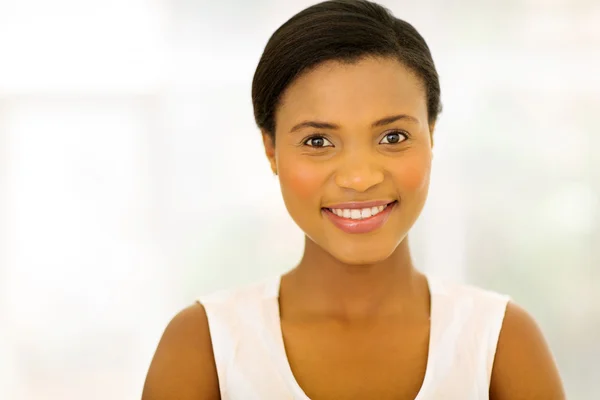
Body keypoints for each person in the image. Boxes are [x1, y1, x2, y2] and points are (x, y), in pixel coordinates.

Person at [142, 1, 565, 399]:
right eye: (318, 140)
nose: (360, 178)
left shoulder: (501, 342)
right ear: (271, 149)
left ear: (432, 134)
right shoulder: (205, 346)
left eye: (393, 137)